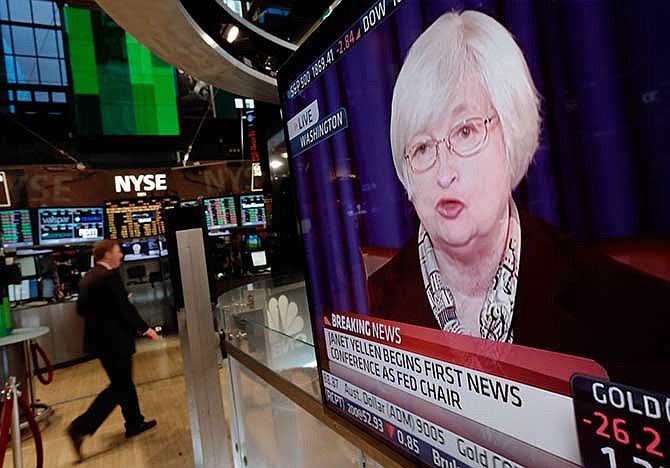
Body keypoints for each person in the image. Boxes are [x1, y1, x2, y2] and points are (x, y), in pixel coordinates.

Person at [367, 10, 670, 392]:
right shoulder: (369, 307)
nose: (444, 173)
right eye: (423, 147)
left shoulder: (635, 315)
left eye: (465, 131)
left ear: (511, 132)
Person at [68, 239, 159, 459]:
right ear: (107, 254)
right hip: (115, 342)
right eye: (118, 251)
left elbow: (81, 310)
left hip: (100, 343)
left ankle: (134, 422)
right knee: (119, 386)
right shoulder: (108, 277)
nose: (121, 255)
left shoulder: (88, 277)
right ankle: (80, 427)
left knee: (124, 383)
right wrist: (145, 329)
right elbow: (124, 308)